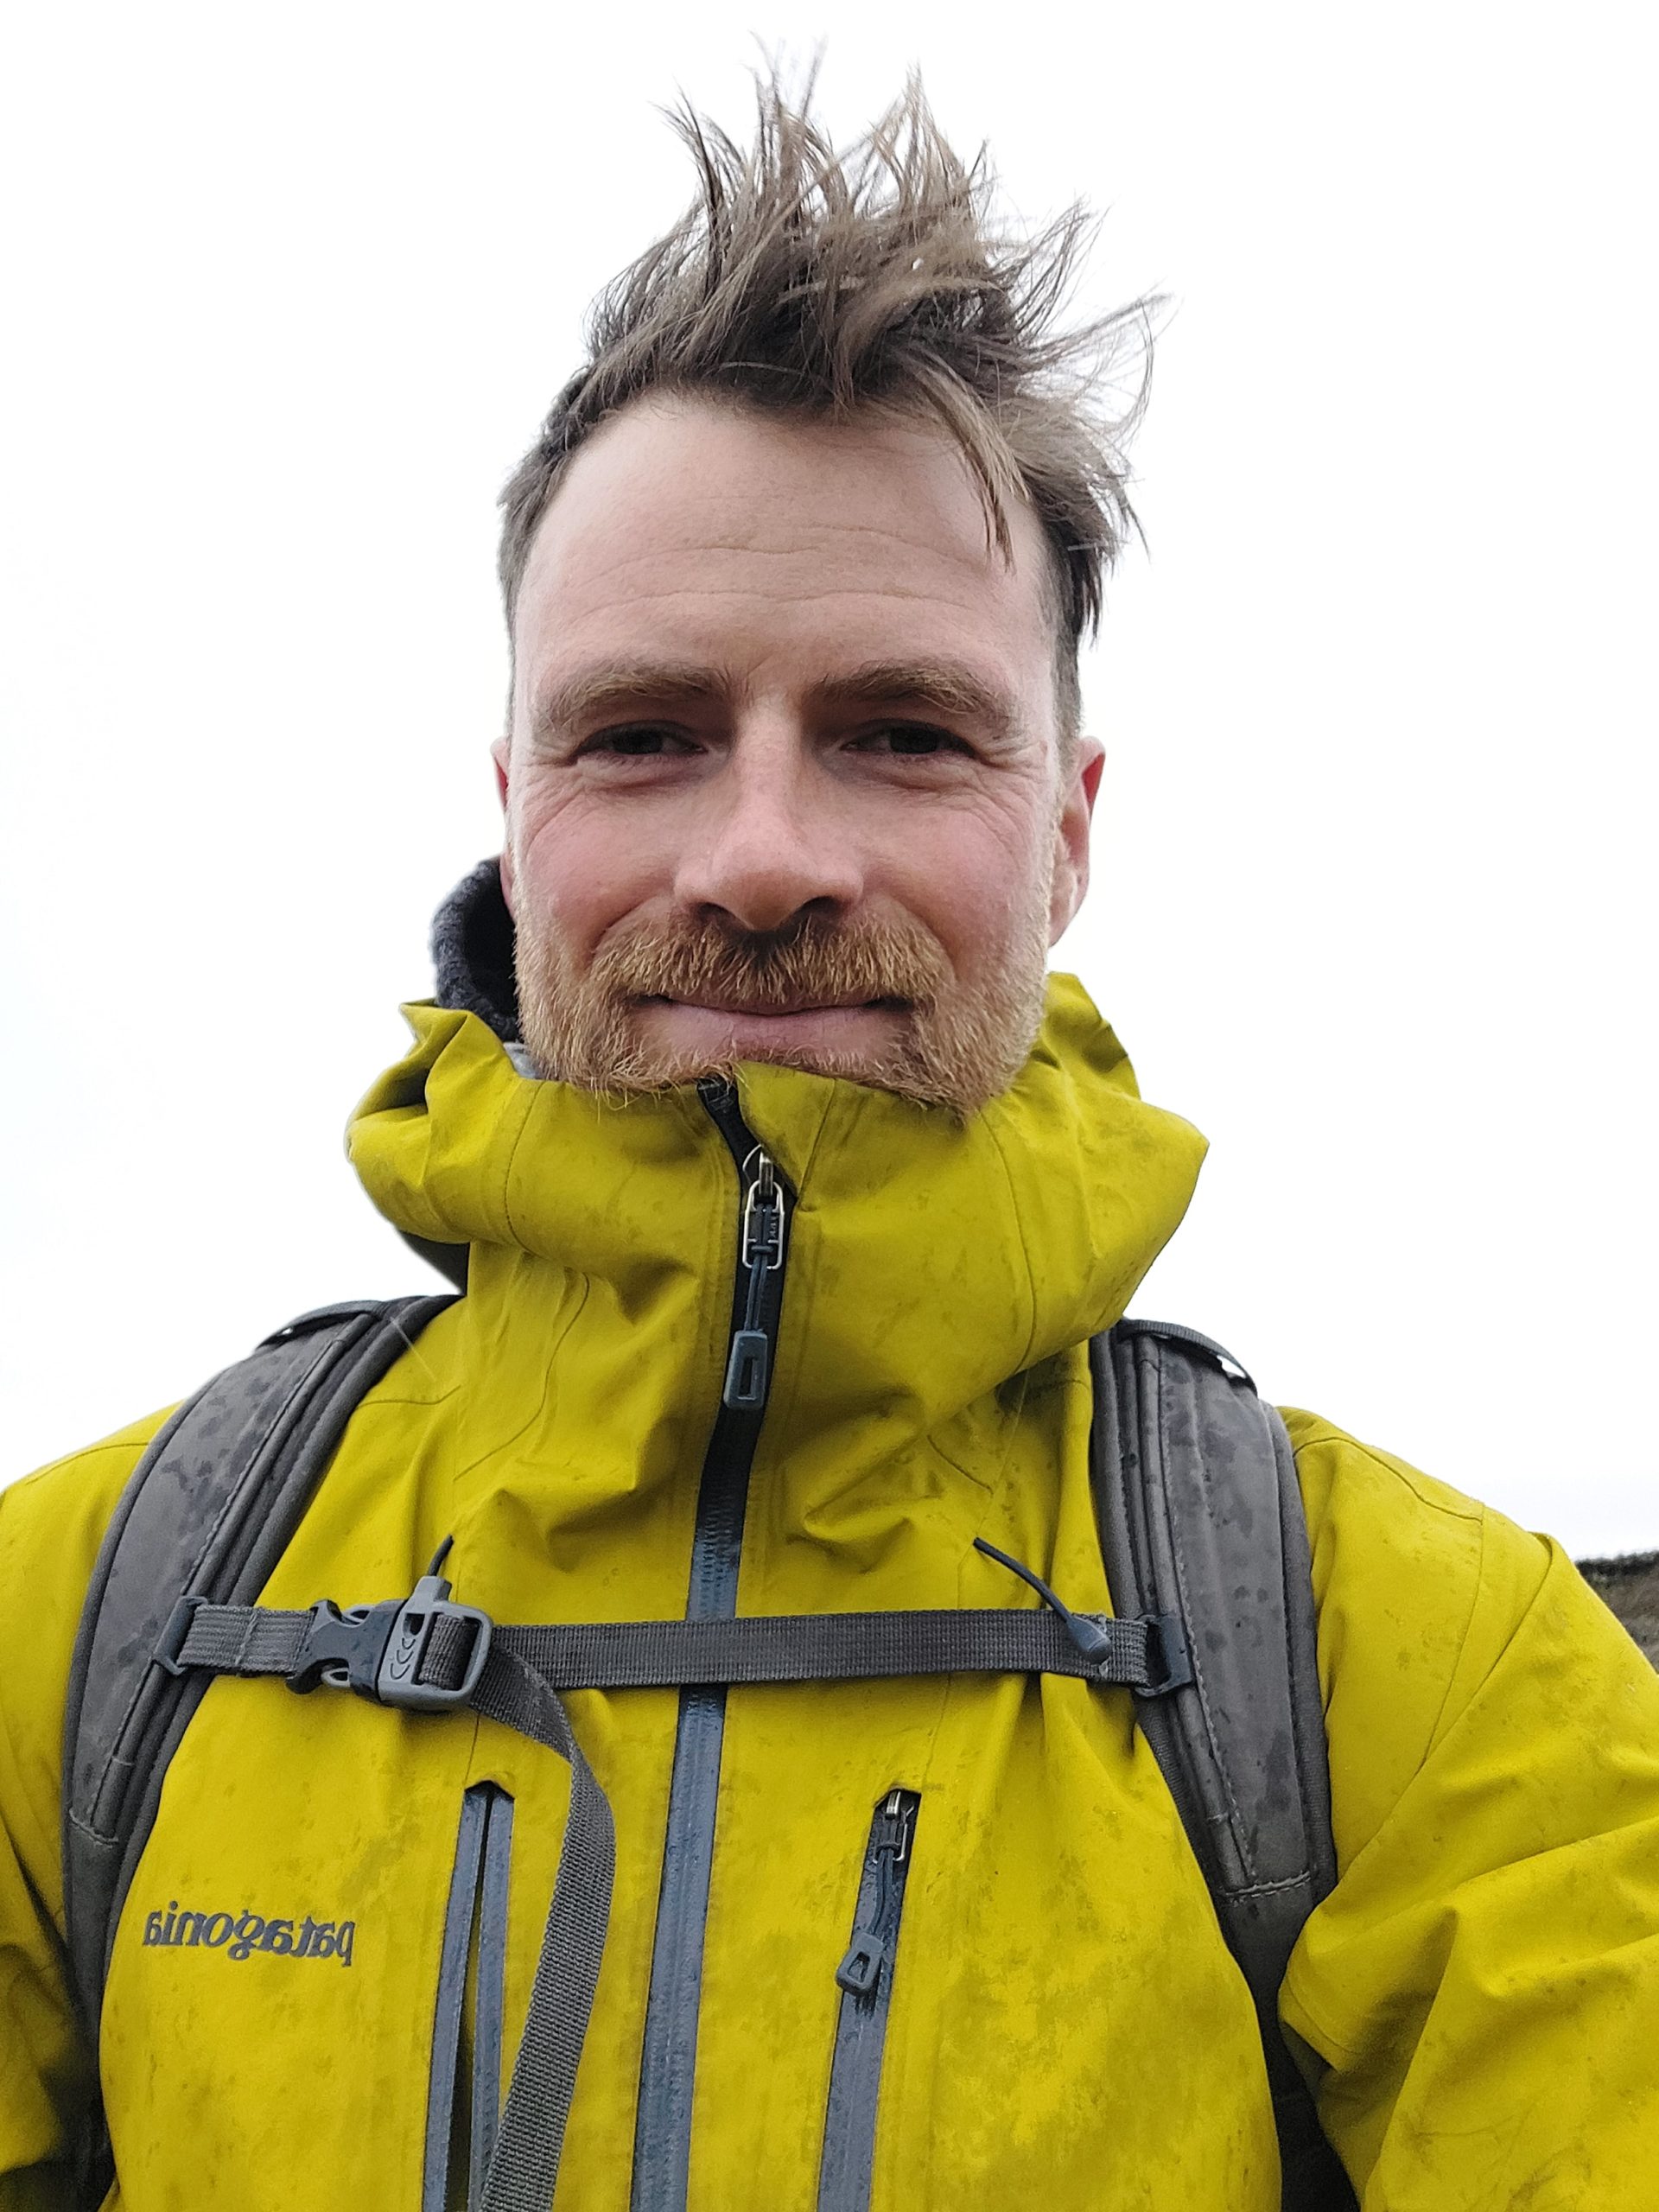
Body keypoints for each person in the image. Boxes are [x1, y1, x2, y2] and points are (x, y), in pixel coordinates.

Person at [3, 70, 1656, 2212]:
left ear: (1065, 835)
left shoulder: (1430, 1676)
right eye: (648, 733)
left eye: (898, 730)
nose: (764, 853)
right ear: (515, 811)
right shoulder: (74, 1627)